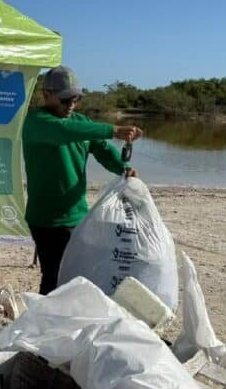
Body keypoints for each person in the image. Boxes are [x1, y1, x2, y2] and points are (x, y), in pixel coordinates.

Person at [22, 66, 143, 295]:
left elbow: (103, 150)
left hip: (79, 215)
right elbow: (65, 131)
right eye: (65, 99)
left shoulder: (81, 122)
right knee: (54, 276)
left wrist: (123, 169)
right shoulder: (36, 122)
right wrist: (113, 129)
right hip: (47, 220)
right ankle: (45, 315)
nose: (71, 105)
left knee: (80, 275)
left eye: (75, 99)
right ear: (46, 95)